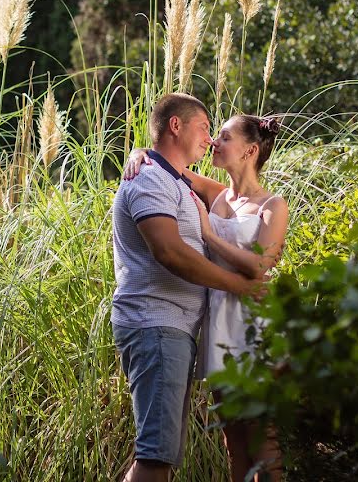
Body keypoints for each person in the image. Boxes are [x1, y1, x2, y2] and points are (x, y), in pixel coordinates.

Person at [123, 113, 288, 482]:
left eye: (225, 137)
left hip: (251, 324)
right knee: (234, 443)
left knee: (263, 442)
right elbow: (163, 163)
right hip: (217, 325)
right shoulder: (215, 192)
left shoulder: (273, 205)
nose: (214, 142)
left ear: (250, 150)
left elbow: (259, 266)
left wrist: (210, 236)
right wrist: (137, 152)